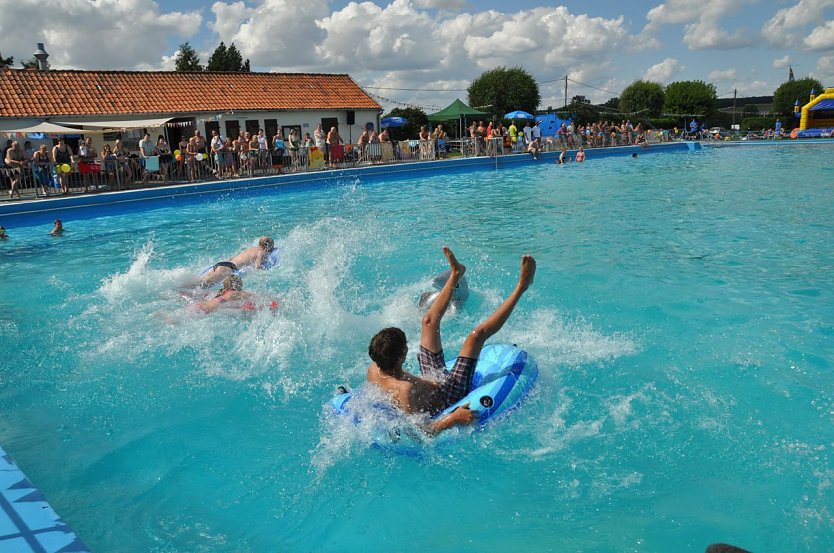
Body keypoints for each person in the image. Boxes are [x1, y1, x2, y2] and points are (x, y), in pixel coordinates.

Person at [366, 247, 536, 434]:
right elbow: (421, 433)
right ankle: (522, 286)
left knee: (428, 321)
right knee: (476, 335)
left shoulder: (374, 369)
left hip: (432, 380)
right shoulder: (404, 391)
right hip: (448, 394)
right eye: (405, 346)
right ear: (401, 357)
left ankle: (456, 274)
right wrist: (453, 418)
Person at [198, 236, 275, 287]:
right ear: (268, 246)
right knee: (202, 284)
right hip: (229, 268)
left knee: (201, 282)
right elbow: (258, 266)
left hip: (222, 264)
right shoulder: (261, 252)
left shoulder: (250, 249)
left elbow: (232, 258)